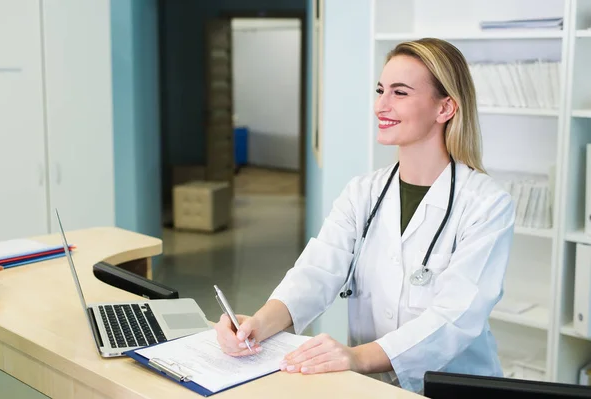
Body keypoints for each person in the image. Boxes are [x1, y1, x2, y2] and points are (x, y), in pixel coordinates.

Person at [214, 38, 515, 393]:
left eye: (400, 93)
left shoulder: (486, 203)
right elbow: (316, 272)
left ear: (445, 108)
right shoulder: (362, 193)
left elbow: (455, 317)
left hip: (453, 387)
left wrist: (356, 358)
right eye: (380, 90)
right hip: (373, 387)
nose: (380, 106)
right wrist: (259, 324)